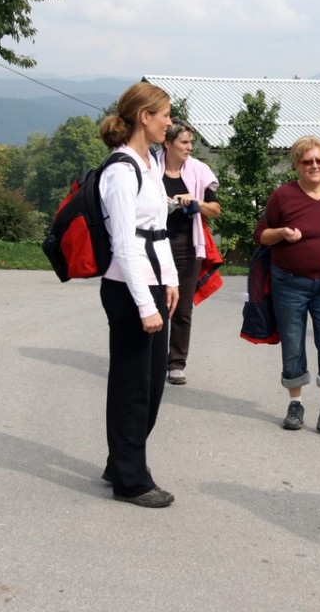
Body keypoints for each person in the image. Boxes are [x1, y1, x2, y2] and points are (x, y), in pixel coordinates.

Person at [98, 82, 179, 508]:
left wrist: (171, 280)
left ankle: (120, 460)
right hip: (127, 288)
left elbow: (157, 230)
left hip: (150, 284)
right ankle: (131, 479)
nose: (169, 121)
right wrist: (145, 305)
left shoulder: (149, 164)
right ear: (143, 116)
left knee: (150, 387)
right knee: (133, 387)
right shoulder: (120, 169)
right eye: (164, 113)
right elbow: (125, 243)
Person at [253, 135, 320, 439]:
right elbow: (261, 235)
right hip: (288, 282)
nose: (315, 166)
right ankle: (295, 404)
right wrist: (281, 233)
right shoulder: (282, 196)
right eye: (307, 161)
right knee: (293, 344)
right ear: (296, 165)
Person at [159, 118, 221, 385]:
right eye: (184, 142)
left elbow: (216, 210)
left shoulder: (199, 170)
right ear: (168, 143)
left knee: (182, 308)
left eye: (191, 142)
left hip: (187, 245)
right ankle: (152, 358)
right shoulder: (150, 168)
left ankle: (176, 364)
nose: (189, 147)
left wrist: (196, 202)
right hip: (155, 244)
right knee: (156, 304)